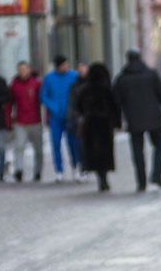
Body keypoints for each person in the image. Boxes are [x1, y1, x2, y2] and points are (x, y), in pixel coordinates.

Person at [114, 49, 161, 191]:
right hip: (154, 118)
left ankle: (141, 182)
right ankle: (156, 174)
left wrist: (117, 122)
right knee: (160, 146)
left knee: (137, 152)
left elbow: (116, 102)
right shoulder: (151, 75)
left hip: (134, 120)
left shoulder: (122, 78)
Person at [74, 63, 121, 192]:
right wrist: (117, 122)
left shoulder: (84, 89)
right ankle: (104, 177)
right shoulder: (107, 89)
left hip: (90, 124)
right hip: (105, 124)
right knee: (105, 151)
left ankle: (101, 177)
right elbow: (115, 107)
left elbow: (78, 107)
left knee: (94, 151)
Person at [40, 54, 80, 182]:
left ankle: (76, 167)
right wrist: (53, 107)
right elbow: (43, 96)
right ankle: (59, 170)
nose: (65, 67)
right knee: (56, 144)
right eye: (63, 65)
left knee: (73, 143)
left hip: (71, 116)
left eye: (66, 64)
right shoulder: (49, 78)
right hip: (55, 117)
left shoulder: (74, 76)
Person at [8, 61, 43, 182]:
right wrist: (8, 120)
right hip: (20, 121)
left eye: (24, 69)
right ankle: (19, 170)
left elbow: (43, 98)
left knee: (38, 148)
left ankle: (38, 171)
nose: (22, 71)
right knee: (19, 147)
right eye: (20, 69)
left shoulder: (37, 83)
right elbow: (9, 103)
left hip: (35, 121)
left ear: (29, 70)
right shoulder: (14, 85)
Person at [67, 61, 89, 178]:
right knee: (80, 145)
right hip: (79, 120)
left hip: (93, 119)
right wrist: (74, 117)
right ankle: (83, 168)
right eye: (79, 68)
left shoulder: (94, 84)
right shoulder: (74, 85)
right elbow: (72, 103)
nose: (81, 71)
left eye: (83, 68)